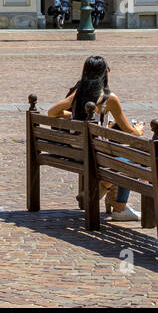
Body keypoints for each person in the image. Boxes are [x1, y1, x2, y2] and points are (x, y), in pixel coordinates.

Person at [48, 56, 144, 221]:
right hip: (95, 155)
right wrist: (140, 129)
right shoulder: (109, 98)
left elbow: (52, 113)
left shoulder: (78, 92)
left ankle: (107, 193)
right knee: (132, 158)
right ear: (104, 73)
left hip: (75, 152)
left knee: (119, 157)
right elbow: (129, 131)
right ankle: (116, 204)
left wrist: (75, 116)